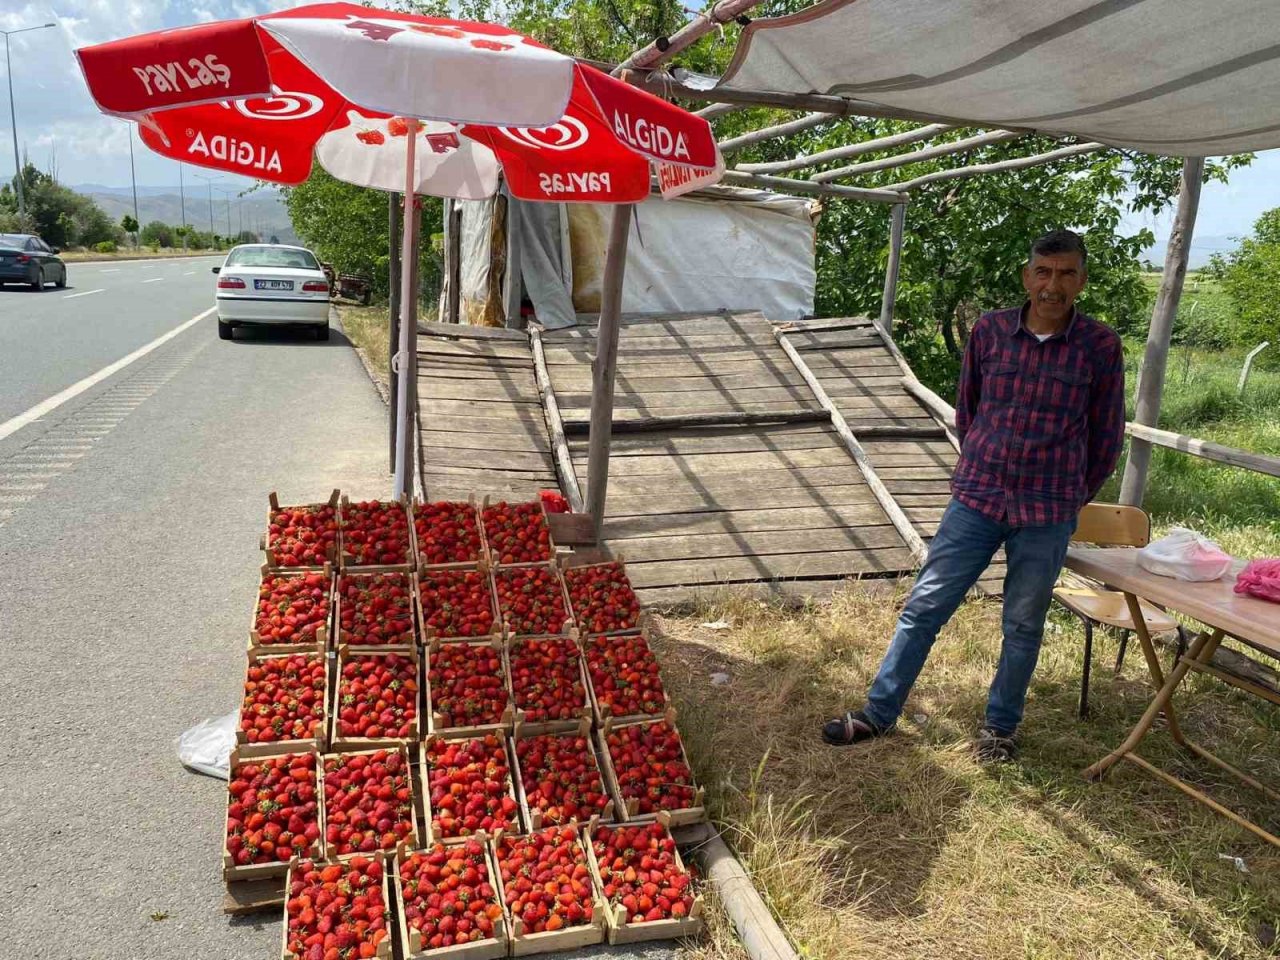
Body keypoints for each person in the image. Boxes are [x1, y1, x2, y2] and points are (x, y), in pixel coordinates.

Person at [822, 229, 1126, 762]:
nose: (1052, 285)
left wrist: (1072, 495)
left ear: (1081, 281)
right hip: (978, 499)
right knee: (926, 605)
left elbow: (1106, 435)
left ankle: (1000, 729)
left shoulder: (1099, 346)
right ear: (1027, 276)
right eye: (1043, 272)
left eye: (1066, 274)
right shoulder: (990, 331)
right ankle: (879, 712)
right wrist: (982, 463)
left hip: (1048, 510)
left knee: (1023, 623)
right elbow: (969, 410)